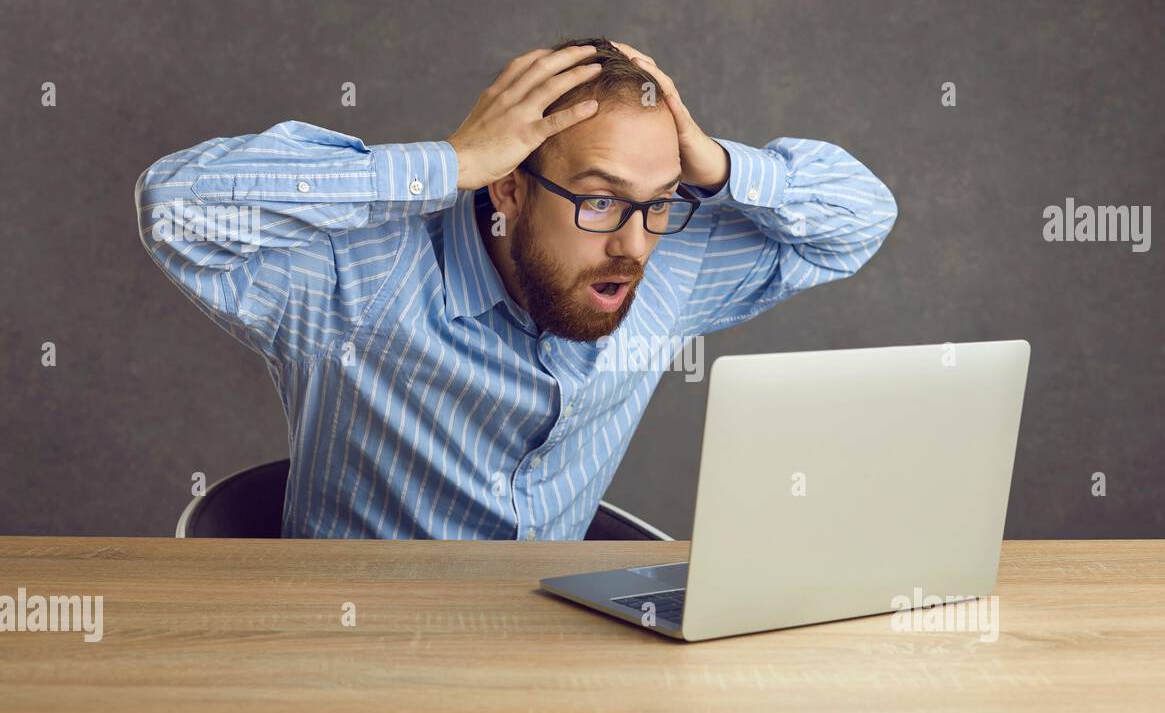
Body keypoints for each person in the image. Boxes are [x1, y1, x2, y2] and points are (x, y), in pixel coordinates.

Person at [135, 36, 899, 539]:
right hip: (357, 668)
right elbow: (179, 207)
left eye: (658, 202)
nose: (633, 245)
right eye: (599, 200)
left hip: (549, 672)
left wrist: (714, 165)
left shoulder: (672, 261)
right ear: (507, 189)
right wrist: (447, 162)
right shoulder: (357, 279)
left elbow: (862, 217)